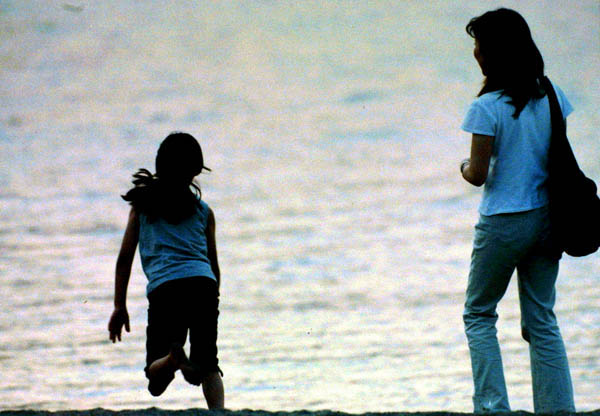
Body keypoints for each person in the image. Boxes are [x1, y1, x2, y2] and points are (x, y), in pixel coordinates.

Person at [460, 8, 575, 413]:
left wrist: (462, 166)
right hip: (547, 218)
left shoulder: (486, 107)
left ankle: (493, 408)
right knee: (542, 319)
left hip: (504, 222)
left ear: (495, 52)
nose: (476, 53)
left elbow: (477, 175)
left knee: (478, 314)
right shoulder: (552, 94)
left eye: (479, 45)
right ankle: (558, 409)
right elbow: (554, 156)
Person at [108, 132, 224, 409]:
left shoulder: (142, 208)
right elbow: (213, 266)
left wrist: (119, 306)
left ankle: (173, 360)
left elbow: (124, 259)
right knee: (208, 366)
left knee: (155, 381)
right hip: (203, 285)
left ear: (160, 167)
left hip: (166, 290)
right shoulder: (204, 212)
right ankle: (219, 413)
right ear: (195, 171)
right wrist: (211, 302)